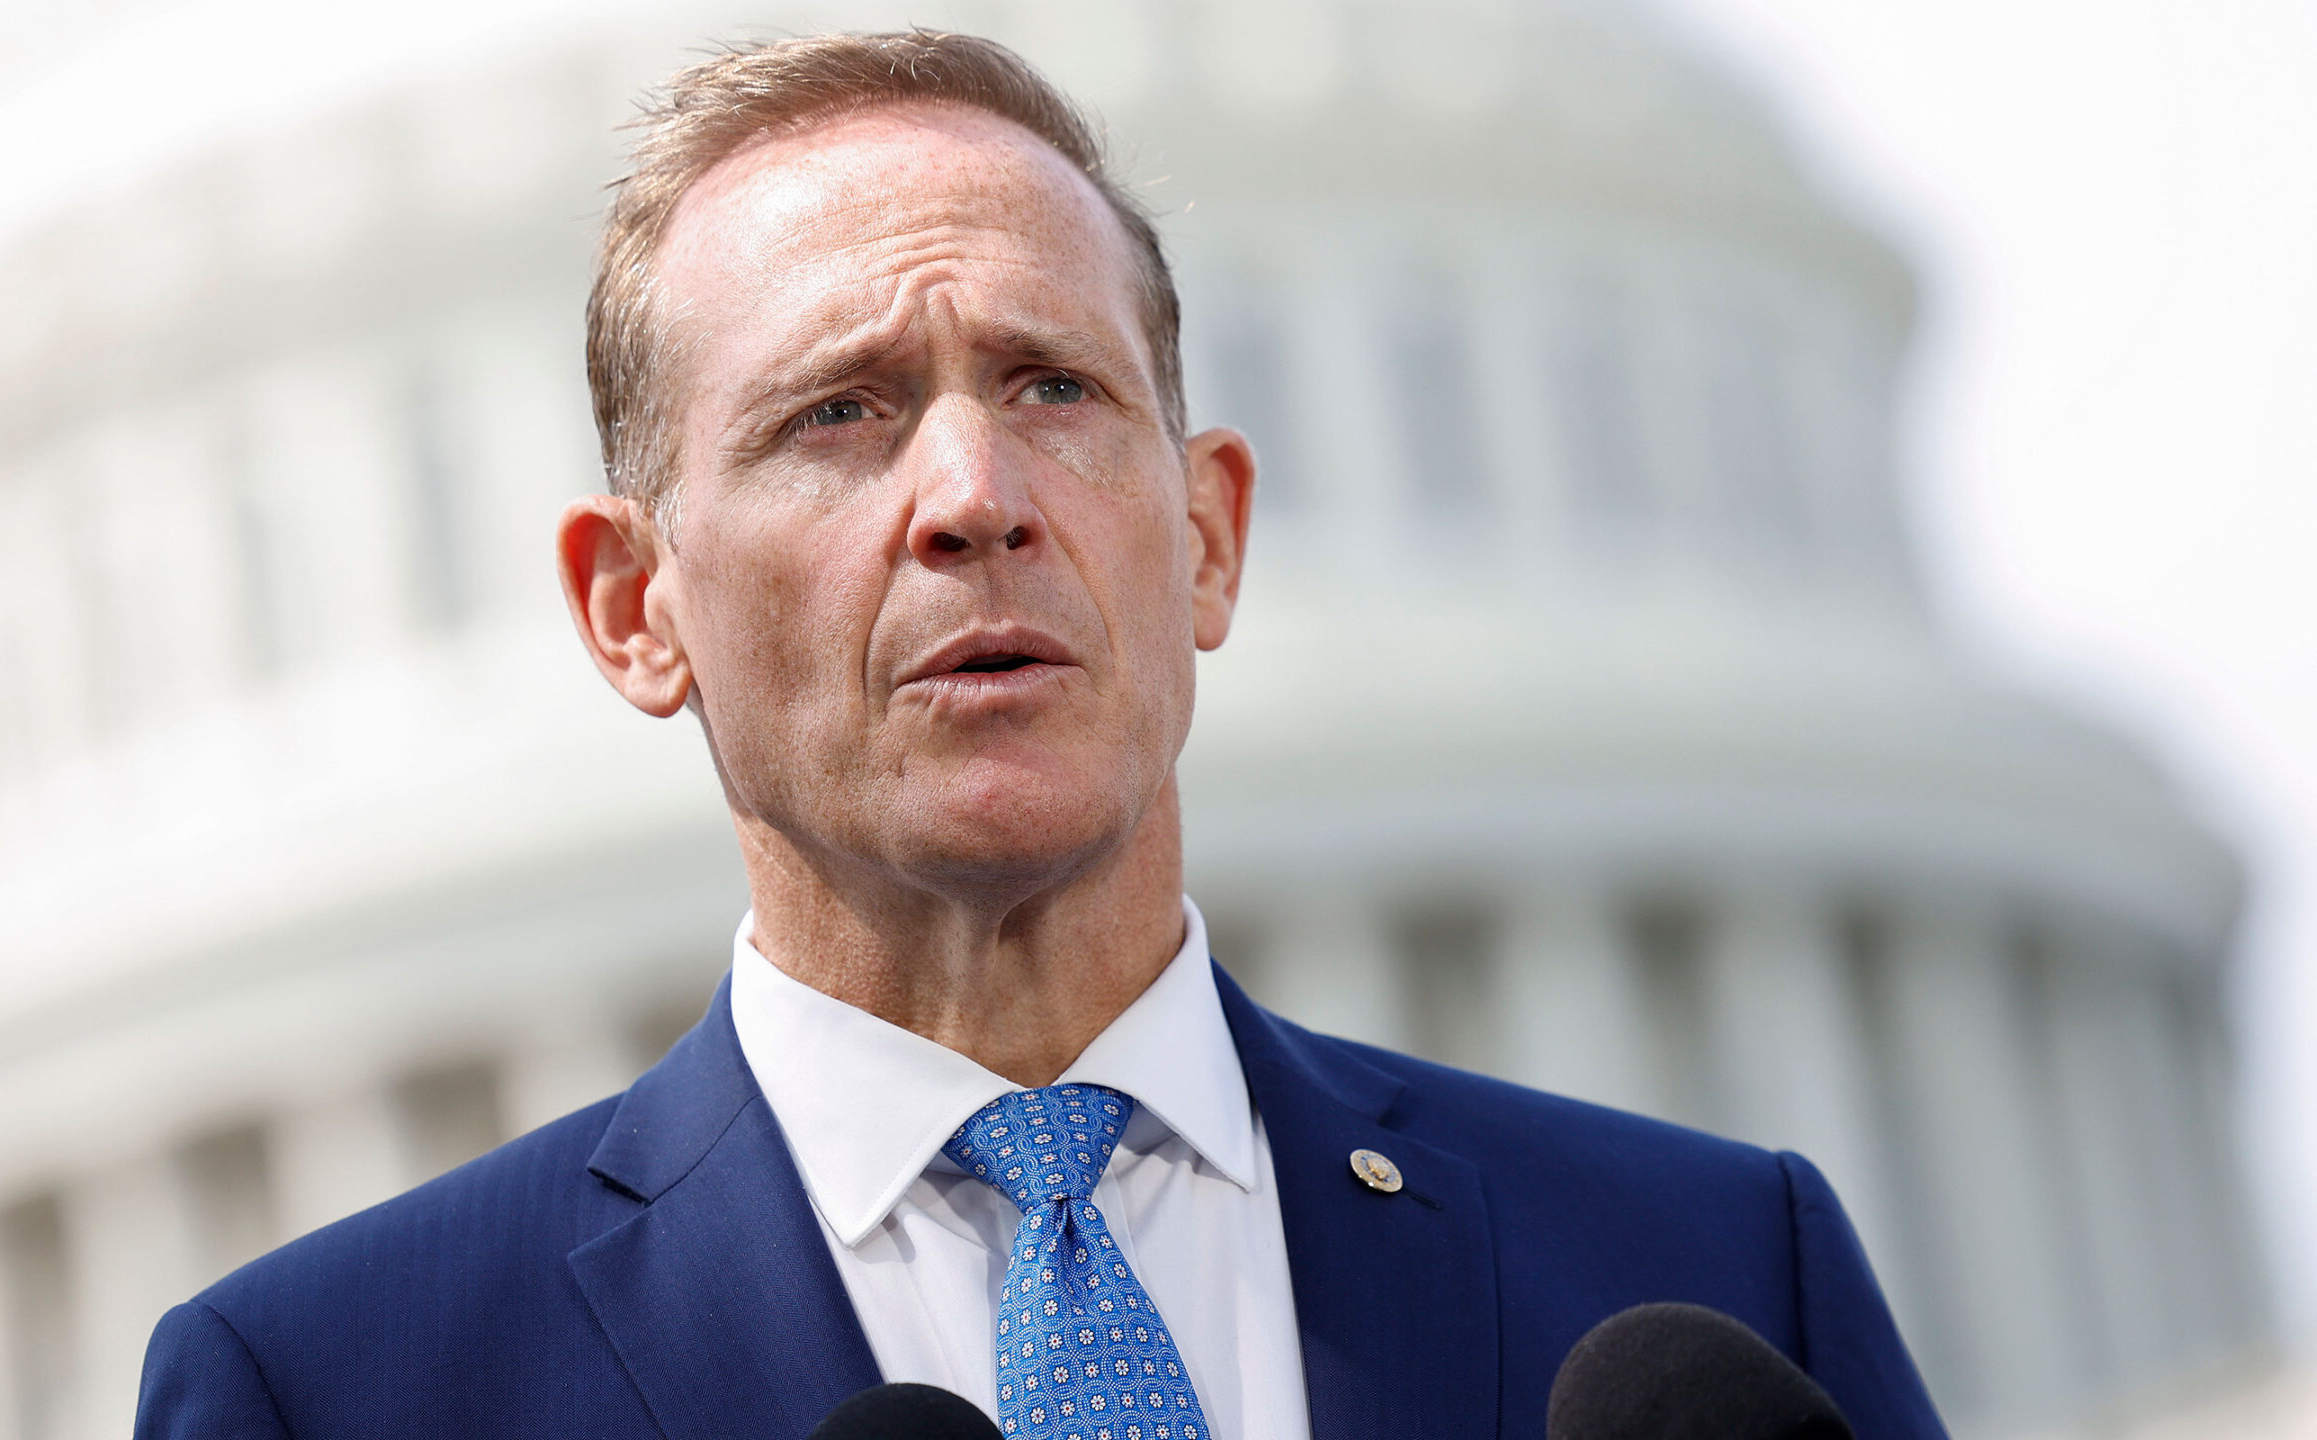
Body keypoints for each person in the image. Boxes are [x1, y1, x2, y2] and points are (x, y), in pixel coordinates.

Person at [135, 29, 1945, 1440]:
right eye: (837, 415)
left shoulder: (1705, 1291)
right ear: (634, 607)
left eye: (1054, 386)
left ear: (1211, 535)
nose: (975, 497)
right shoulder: (338, 1394)